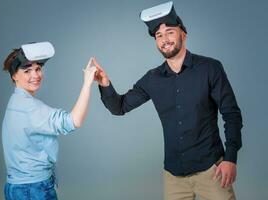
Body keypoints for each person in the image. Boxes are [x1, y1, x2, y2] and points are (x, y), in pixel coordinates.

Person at [93, 1, 242, 199]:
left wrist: (230, 158)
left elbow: (231, 115)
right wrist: (104, 82)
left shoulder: (210, 68)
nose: (165, 39)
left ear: (183, 34)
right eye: (159, 36)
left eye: (170, 32)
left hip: (212, 171)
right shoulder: (152, 78)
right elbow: (119, 107)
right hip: (174, 176)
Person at [2, 42, 97, 200]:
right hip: (33, 189)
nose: (36, 75)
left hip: (15, 187)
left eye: (38, 69)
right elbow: (73, 121)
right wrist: (87, 82)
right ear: (14, 76)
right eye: (27, 71)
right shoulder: (29, 107)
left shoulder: (15, 102)